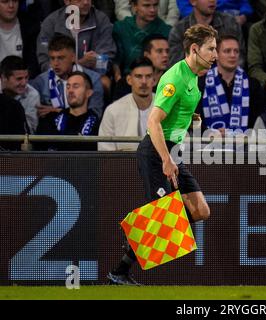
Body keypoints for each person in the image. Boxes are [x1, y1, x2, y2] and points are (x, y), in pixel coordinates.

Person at [107, 24, 217, 285]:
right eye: (211, 49)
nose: (216, 54)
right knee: (161, 217)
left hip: (173, 152)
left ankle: (140, 233)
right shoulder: (175, 78)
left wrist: (188, 118)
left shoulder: (194, 76)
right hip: (157, 153)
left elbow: (172, 114)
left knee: (201, 211)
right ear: (194, 49)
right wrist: (166, 160)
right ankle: (120, 269)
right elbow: (154, 122)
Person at [196, 34, 265, 134]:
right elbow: (193, 116)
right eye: (227, 51)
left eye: (236, 51)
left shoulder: (252, 85)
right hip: (207, 144)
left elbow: (258, 119)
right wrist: (209, 132)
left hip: (245, 145)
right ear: (216, 55)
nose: (233, 55)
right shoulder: (200, 84)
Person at [30, 34, 104, 120]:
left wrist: (58, 112)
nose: (55, 63)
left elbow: (95, 114)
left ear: (73, 57)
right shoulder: (40, 82)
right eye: (52, 58)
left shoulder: (93, 79)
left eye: (60, 58)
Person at [36, 0, 116, 73]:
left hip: (91, 77)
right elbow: (45, 64)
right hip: (58, 79)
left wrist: (95, 62)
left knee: (104, 82)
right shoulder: (50, 23)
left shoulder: (101, 20)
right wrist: (79, 64)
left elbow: (107, 59)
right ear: (67, 1)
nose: (86, 2)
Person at [98, 58, 155, 151]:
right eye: (138, 76)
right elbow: (105, 153)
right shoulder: (113, 111)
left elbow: (181, 147)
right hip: (123, 164)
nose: (144, 81)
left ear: (154, 80)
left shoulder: (168, 108)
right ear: (129, 80)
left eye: (148, 76)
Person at [35, 71, 100, 151]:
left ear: (88, 93)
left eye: (76, 86)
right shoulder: (50, 120)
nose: (70, 91)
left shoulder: (97, 125)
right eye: (68, 87)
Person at [168, 0, 244, 67]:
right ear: (193, 1)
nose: (212, 0)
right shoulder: (179, 30)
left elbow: (240, 59)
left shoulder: (230, 24)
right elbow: (176, 66)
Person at [112, 0, 171, 80]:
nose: (152, 10)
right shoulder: (121, 28)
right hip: (127, 79)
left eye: (155, 5)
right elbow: (116, 60)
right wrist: (118, 77)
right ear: (134, 6)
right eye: (146, 6)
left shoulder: (166, 31)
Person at [112, 34, 169, 100]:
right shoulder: (126, 84)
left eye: (167, 51)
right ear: (146, 55)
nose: (165, 55)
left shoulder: (174, 80)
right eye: (159, 51)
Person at [0, 0, 41, 78]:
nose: (11, 6)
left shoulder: (31, 26)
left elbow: (33, 64)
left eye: (15, 1)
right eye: (5, 2)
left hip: (25, 82)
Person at [0, 55, 40, 133]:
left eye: (26, 77)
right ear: (3, 77)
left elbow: (31, 130)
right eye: (19, 79)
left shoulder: (32, 94)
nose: (24, 83)